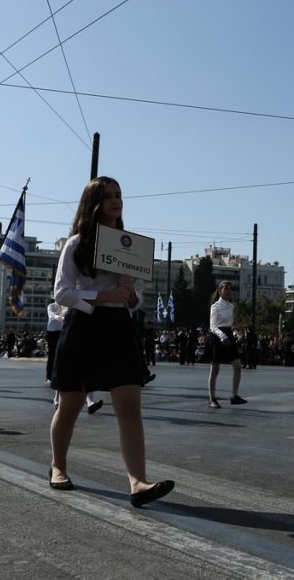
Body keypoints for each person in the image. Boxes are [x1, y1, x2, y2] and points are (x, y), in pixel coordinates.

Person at [49, 176, 173, 507]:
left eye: (118, 195)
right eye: (107, 197)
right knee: (71, 404)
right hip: (83, 326)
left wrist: (130, 291)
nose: (115, 201)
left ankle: (138, 483)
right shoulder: (76, 244)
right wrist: (101, 296)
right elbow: (61, 292)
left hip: (119, 327)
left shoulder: (129, 245)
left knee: (130, 405)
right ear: (93, 204)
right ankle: (58, 466)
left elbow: (136, 301)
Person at [206, 281, 246, 408]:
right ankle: (212, 399)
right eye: (226, 289)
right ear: (220, 291)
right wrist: (222, 337)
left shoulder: (231, 306)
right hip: (217, 336)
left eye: (230, 289)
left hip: (228, 334)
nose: (229, 291)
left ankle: (234, 396)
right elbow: (212, 326)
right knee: (215, 370)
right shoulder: (215, 306)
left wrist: (234, 334)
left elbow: (229, 324)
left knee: (237, 365)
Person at [46, 299, 66, 384]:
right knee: (52, 354)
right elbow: (52, 316)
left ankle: (61, 376)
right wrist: (62, 318)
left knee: (62, 354)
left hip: (62, 331)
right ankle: (49, 377)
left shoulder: (67, 306)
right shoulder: (51, 306)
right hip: (52, 332)